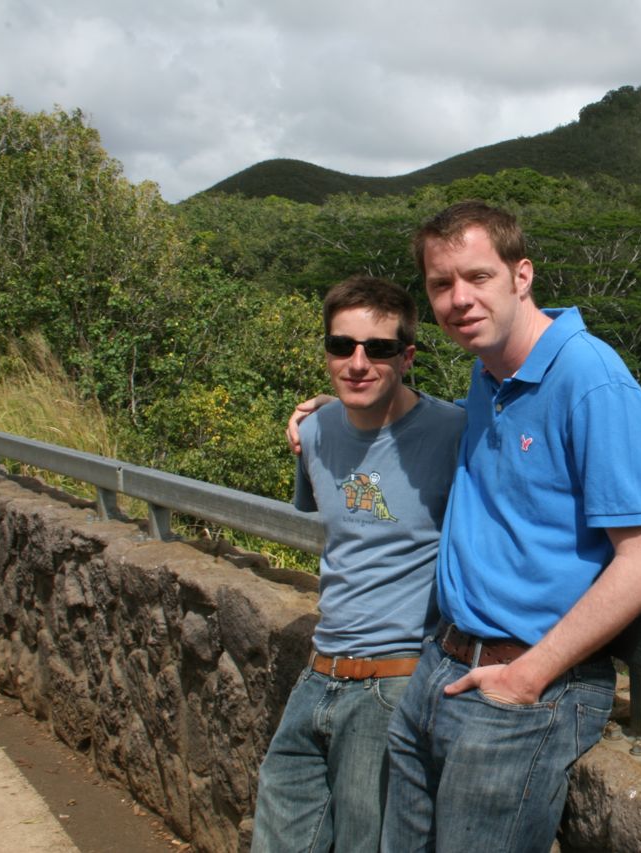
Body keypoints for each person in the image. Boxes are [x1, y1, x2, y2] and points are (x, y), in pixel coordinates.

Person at [288, 202, 641, 852]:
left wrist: (526, 677)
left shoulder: (592, 382)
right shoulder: (490, 370)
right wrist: (347, 408)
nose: (459, 299)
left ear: (522, 275)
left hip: (522, 686)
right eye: (441, 284)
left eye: (478, 277)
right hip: (440, 668)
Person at [252, 275, 464, 853]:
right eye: (342, 346)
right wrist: (323, 408)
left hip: (393, 684)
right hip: (317, 673)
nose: (358, 362)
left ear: (407, 357)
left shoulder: (454, 433)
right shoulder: (315, 431)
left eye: (379, 348)